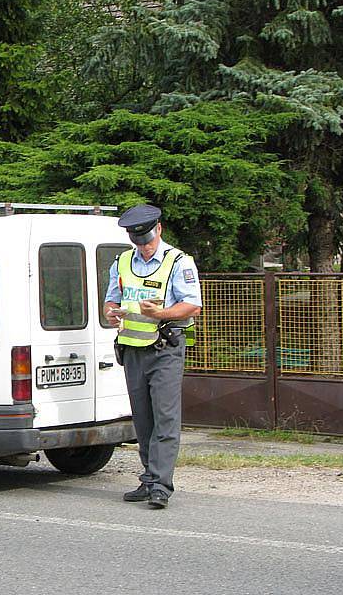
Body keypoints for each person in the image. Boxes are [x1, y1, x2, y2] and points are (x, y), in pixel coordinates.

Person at [103, 204, 202, 509]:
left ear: (159, 230)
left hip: (165, 349)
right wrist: (112, 314)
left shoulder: (178, 262)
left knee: (166, 418)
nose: (144, 247)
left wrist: (161, 313)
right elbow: (110, 302)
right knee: (143, 420)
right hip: (132, 350)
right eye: (138, 242)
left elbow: (192, 305)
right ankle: (149, 479)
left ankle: (161, 484)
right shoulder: (121, 263)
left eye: (147, 240)